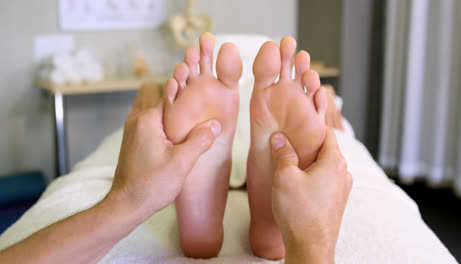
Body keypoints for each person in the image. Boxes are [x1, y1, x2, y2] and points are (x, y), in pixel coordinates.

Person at [0, 34, 352, 264]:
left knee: (149, 117)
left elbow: (152, 100)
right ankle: (274, 234)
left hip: (225, 115)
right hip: (269, 120)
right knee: (303, 130)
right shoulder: (303, 86)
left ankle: (206, 221)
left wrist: (148, 96)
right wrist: (330, 106)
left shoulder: (174, 83)